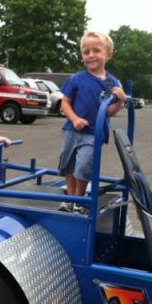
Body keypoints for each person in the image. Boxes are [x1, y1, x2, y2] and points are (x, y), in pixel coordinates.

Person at [58, 30, 125, 214]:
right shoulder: (77, 78)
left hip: (94, 132)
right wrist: (74, 118)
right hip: (72, 129)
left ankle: (79, 199)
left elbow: (109, 112)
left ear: (108, 54)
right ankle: (70, 198)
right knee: (68, 164)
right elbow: (65, 102)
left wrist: (120, 100)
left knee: (84, 165)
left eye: (96, 50)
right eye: (86, 52)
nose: (91, 55)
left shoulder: (113, 83)